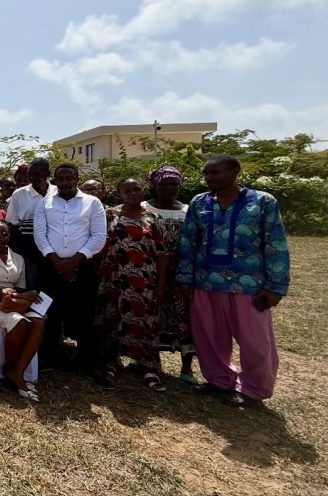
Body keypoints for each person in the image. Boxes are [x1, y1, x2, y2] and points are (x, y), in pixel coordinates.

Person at [177, 155, 290, 405]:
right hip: (205, 283)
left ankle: (254, 389)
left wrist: (276, 286)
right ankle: (219, 380)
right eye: (206, 174)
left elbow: (276, 244)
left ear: (235, 171)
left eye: (215, 173)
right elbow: (188, 242)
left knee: (255, 341)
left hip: (249, 285)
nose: (209, 178)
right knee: (210, 337)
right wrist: (185, 278)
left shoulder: (262, 201)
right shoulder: (199, 202)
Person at [94, 178, 169, 391]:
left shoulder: (153, 218)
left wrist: (161, 286)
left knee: (145, 321)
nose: (133, 193)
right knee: (112, 319)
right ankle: (111, 363)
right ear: (119, 194)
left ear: (143, 191)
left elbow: (163, 253)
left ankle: (149, 367)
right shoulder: (108, 215)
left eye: (136, 189)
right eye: (127, 190)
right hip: (112, 278)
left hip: (143, 280)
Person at [33, 163, 107, 373]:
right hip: (51, 266)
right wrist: (58, 263)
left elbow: (99, 236)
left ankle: (87, 360)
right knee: (50, 312)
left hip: (83, 267)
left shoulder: (93, 203)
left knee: (85, 312)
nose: (65, 182)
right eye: (61, 179)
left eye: (69, 178)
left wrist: (72, 262)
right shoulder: (44, 203)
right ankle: (50, 356)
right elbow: (39, 235)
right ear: (55, 180)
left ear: (77, 179)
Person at [0, 220, 44, 402]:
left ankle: (17, 371)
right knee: (18, 322)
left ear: (9, 235)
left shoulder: (17, 258)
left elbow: (20, 287)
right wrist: (9, 294)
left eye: (4, 233)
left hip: (13, 300)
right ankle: (10, 369)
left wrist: (21, 295)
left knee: (39, 321)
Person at [142, 165, 196, 383]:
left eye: (174, 183)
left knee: (185, 319)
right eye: (163, 184)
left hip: (181, 273)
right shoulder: (143, 208)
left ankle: (187, 367)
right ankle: (150, 361)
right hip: (149, 272)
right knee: (151, 317)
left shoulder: (189, 210)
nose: (169, 188)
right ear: (154, 186)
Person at [6, 157, 56, 290]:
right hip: (29, 249)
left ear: (48, 174)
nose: (34, 178)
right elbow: (12, 224)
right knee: (32, 285)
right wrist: (20, 252)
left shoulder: (58, 192)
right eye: (31, 174)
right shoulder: (19, 194)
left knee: (52, 287)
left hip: (55, 248)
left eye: (39, 174)